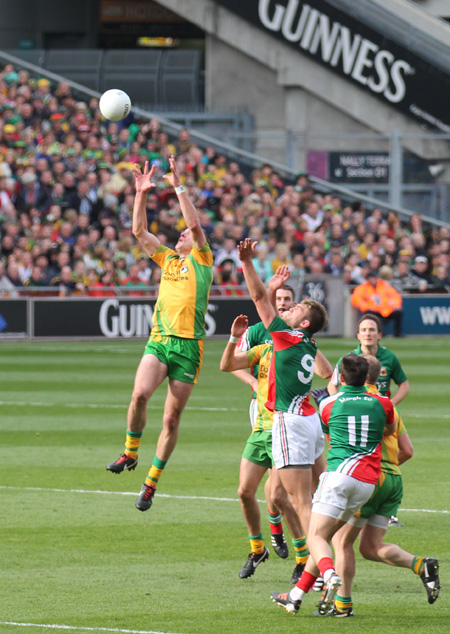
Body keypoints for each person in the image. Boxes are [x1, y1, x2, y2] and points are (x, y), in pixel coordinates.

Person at [106, 156, 213, 512]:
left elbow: (195, 225)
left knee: (170, 418)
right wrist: (141, 193)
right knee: (138, 396)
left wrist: (177, 185)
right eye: (179, 233)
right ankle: (130, 452)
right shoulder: (167, 259)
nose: (181, 233)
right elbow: (139, 232)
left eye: (183, 233)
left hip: (189, 348)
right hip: (161, 340)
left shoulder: (202, 259)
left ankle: (151, 483)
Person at [271, 354, 395, 616]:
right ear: (367, 377)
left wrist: (329, 396)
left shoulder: (328, 404)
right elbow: (388, 430)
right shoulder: (384, 403)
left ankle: (329, 575)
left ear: (340, 377)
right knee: (324, 539)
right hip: (367, 484)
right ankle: (295, 596)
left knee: (315, 536)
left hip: (339, 476)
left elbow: (328, 436)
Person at [228, 283, 332, 582]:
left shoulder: (288, 336)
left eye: (292, 302)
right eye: (281, 300)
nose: (286, 305)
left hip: (285, 424)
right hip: (264, 422)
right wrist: (251, 380)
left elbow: (324, 371)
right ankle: (260, 547)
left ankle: (308, 559)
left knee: (284, 497)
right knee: (247, 492)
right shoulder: (262, 333)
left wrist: (305, 342)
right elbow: (230, 363)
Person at [326, 354, 440, 617]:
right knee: (370, 547)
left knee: (339, 540)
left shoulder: (349, 404)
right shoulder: (388, 405)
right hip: (393, 480)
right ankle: (421, 565)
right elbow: (408, 450)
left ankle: (342, 604)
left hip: (367, 477)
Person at [327, 313, 409, 406]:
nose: (367, 333)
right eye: (363, 330)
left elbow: (404, 385)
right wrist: (340, 404)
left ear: (379, 335)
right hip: (356, 409)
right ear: (358, 335)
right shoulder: (348, 359)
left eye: (372, 330)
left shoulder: (389, 357)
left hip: (379, 411)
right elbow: (332, 385)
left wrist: (390, 404)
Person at [351, 269, 403, 337]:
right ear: (368, 279)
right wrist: (366, 307)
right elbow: (356, 298)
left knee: (399, 313)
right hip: (372, 310)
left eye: (375, 277)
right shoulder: (363, 287)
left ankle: (398, 333)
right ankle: (379, 333)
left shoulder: (385, 286)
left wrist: (395, 306)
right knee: (369, 315)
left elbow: (395, 295)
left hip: (386, 310)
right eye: (372, 278)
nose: (374, 279)